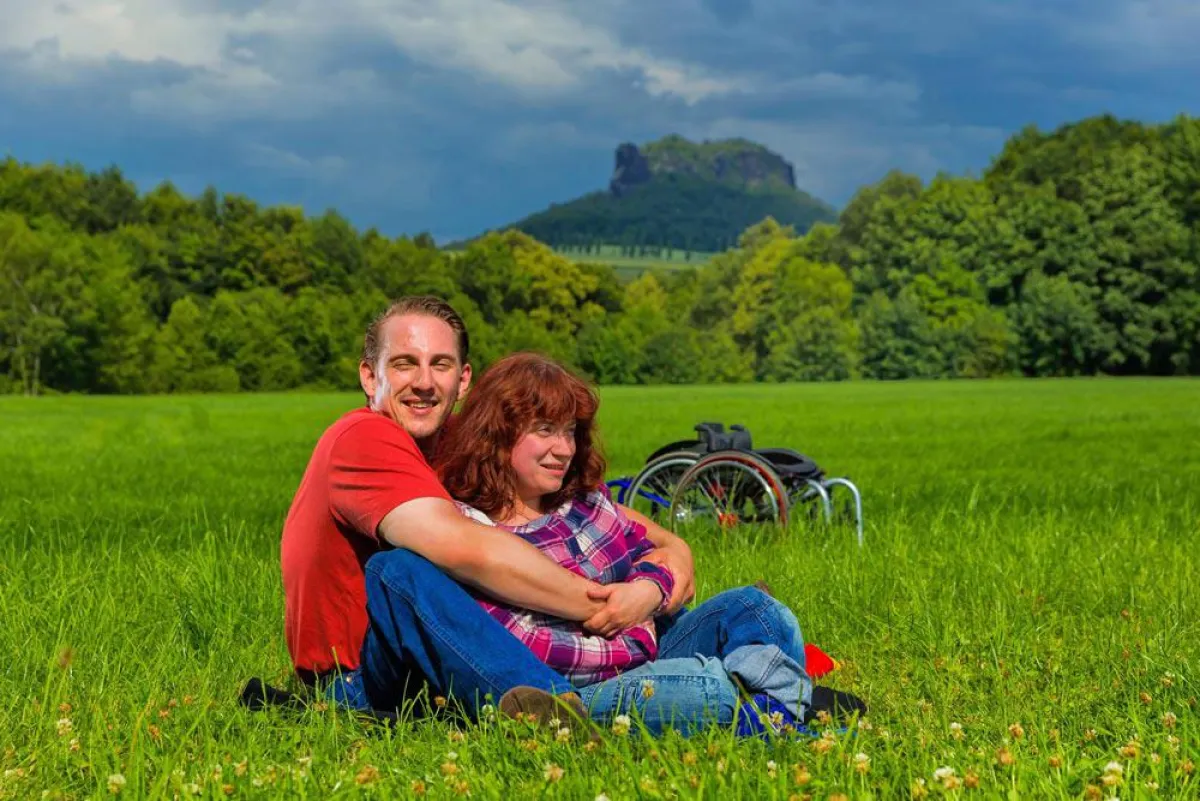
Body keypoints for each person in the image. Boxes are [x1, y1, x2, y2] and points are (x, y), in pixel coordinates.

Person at [278, 295, 748, 734]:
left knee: (741, 610)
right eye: (404, 364)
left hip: (455, 654)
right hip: (363, 680)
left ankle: (751, 665)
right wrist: (607, 608)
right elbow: (471, 551)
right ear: (368, 377)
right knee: (399, 571)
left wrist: (654, 580)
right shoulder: (363, 438)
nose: (423, 381)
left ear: (462, 379)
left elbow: (637, 531)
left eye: (439, 364)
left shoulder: (455, 443)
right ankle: (561, 712)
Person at [434, 351, 867, 736]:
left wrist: (648, 592)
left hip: (651, 647)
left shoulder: (583, 502)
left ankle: (765, 707)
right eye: (545, 430)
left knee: (758, 609)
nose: (563, 448)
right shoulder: (472, 530)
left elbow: (652, 552)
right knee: (706, 687)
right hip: (582, 689)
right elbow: (529, 648)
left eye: (569, 432)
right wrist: (629, 633)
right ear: (497, 433)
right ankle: (782, 703)